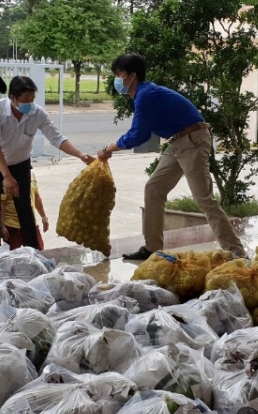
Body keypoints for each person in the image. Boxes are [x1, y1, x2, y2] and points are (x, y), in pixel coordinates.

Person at [97, 53, 246, 261]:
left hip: (192, 140)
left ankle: (237, 253)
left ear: (132, 76)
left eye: (119, 74)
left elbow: (138, 135)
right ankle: (152, 249)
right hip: (179, 141)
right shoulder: (144, 94)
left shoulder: (146, 95)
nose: (117, 80)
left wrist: (109, 149)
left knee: (204, 200)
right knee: (154, 188)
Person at [0, 75, 93, 249]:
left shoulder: (37, 113)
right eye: (25, 99)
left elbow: (56, 138)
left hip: (20, 164)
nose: (30, 103)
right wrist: (6, 176)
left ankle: (32, 252)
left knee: (25, 208)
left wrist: (80, 154)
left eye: (32, 99)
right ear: (13, 98)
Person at [1, 174, 48, 250]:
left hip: (30, 223)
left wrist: (44, 217)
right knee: (14, 257)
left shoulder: (31, 174)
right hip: (13, 226)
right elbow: (2, 203)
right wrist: (2, 226)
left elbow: (36, 196)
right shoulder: (6, 177)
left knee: (38, 253)